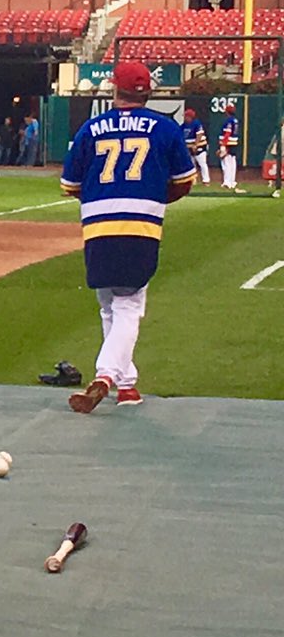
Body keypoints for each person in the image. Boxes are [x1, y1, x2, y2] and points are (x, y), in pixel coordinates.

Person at [60, 63, 196, 413]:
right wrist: (153, 194)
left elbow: (70, 185)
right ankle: (105, 376)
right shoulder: (165, 128)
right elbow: (183, 181)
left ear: (114, 90)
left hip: (97, 224)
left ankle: (127, 384)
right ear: (148, 91)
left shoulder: (91, 128)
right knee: (129, 305)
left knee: (109, 304)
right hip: (142, 224)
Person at [181, 108, 211, 184]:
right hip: (189, 147)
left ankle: (206, 180)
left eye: (186, 116)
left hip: (200, 147)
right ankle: (193, 180)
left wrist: (196, 145)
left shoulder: (196, 123)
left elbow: (199, 134)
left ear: (190, 117)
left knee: (202, 163)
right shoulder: (183, 125)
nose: (184, 118)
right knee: (191, 164)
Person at [219, 103, 242, 191]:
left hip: (228, 143)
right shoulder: (235, 120)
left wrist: (223, 145)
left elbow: (227, 133)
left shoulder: (228, 121)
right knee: (232, 163)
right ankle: (232, 181)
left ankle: (227, 182)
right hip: (234, 143)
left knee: (226, 163)